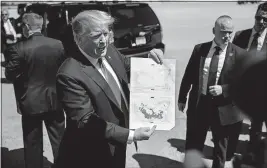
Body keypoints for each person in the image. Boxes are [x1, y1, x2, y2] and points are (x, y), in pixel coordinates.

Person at [55, 10, 163, 168]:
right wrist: (131, 135)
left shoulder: (109, 51)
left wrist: (150, 59)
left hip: (118, 142)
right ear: (78, 38)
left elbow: (127, 66)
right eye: (96, 36)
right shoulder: (69, 74)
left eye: (106, 33)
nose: (103, 41)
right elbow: (86, 121)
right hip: (91, 152)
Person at [178, 15, 247, 168]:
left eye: (230, 32)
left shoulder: (239, 54)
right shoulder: (200, 49)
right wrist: (182, 97)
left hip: (223, 109)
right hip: (200, 105)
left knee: (220, 148)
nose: (227, 36)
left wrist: (223, 89)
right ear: (213, 31)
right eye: (223, 32)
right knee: (194, 144)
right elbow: (189, 75)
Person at [4, 13, 66, 168]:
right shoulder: (58, 44)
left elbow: (10, 75)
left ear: (26, 27)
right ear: (41, 26)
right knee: (60, 141)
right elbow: (65, 71)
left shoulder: (18, 48)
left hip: (30, 103)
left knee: (32, 143)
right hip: (55, 100)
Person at [232, 2, 267, 153]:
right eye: (258, 17)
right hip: (242, 87)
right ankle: (241, 149)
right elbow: (231, 60)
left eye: (265, 19)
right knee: (242, 121)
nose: (261, 22)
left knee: (259, 121)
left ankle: (256, 151)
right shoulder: (240, 35)